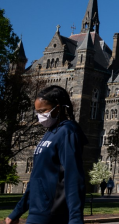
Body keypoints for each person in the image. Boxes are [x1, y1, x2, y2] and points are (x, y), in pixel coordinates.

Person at [6, 85, 88, 224]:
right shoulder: (49, 133)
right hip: (36, 213)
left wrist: (75, 219)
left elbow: (73, 177)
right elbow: (36, 178)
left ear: (58, 107)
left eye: (43, 111)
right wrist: (17, 211)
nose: (40, 116)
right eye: (37, 112)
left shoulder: (68, 132)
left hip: (53, 214)